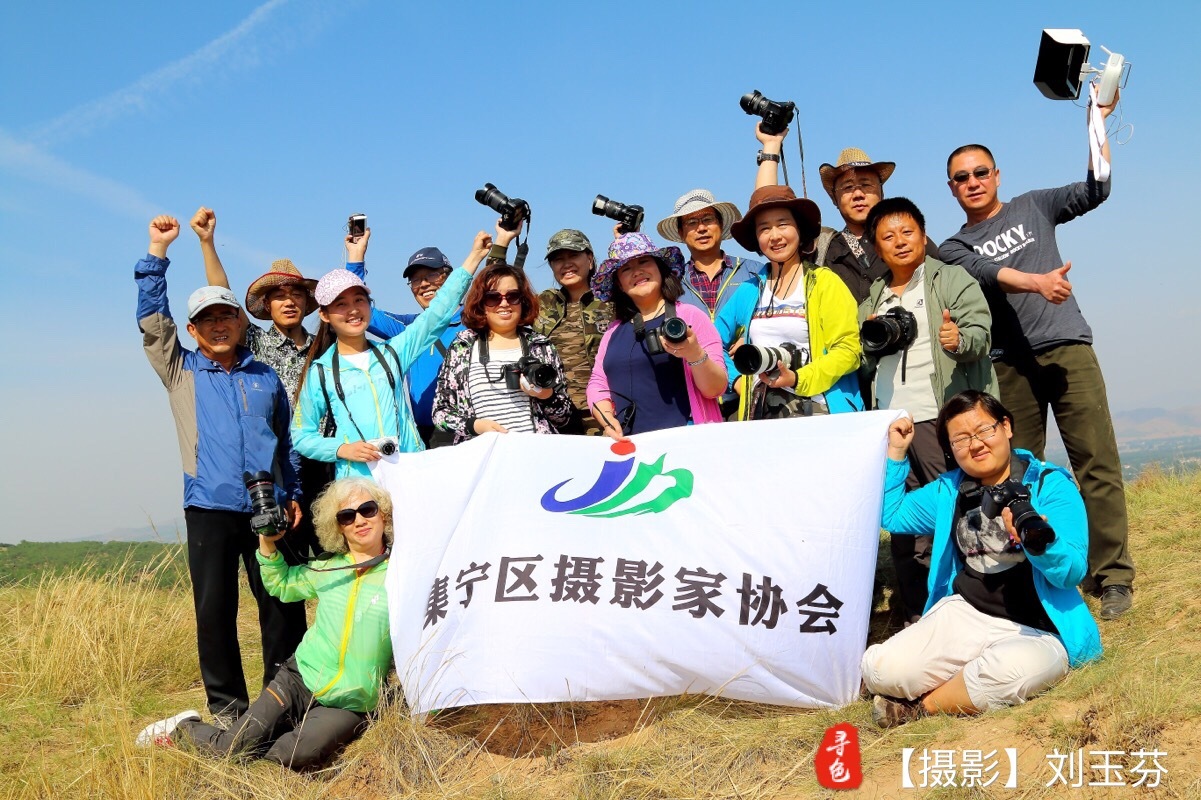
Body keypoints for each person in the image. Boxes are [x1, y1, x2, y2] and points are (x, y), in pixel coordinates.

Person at [937, 87, 1133, 619]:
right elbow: (985, 273)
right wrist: (1034, 281)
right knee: (1018, 472)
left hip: (1067, 347)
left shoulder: (1035, 205)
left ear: (997, 175)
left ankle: (1112, 576)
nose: (973, 183)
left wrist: (1097, 119)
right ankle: (1039, 571)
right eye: (962, 177)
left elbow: (1097, 187)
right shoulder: (953, 247)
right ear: (951, 188)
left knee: (1095, 461)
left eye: (981, 173)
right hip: (1009, 365)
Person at [135, 215, 307, 721]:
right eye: (207, 319)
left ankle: (283, 702)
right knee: (215, 613)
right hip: (209, 507)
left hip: (268, 509)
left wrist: (291, 492)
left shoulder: (265, 375)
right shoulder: (180, 369)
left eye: (226, 316)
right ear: (192, 328)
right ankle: (230, 708)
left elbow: (286, 443)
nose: (218, 324)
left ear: (239, 322)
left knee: (281, 608)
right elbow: (151, 319)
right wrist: (157, 253)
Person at [861, 391, 1102, 728]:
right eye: (960, 439)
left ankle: (920, 707)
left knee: (1012, 675)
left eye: (984, 431)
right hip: (968, 611)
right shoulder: (950, 489)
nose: (975, 445)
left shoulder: (1050, 486)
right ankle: (941, 678)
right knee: (880, 669)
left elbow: (1072, 571)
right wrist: (897, 453)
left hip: (1039, 628)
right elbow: (893, 515)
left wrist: (1042, 544)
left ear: (1006, 427)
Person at [137, 478, 393, 770]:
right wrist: (267, 541)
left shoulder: (402, 575)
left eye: (367, 510)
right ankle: (182, 729)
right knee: (232, 748)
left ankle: (268, 739)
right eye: (347, 516)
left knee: (287, 757)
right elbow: (281, 583)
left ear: (382, 513)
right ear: (339, 528)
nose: (359, 520)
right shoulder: (327, 568)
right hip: (299, 679)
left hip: (350, 702)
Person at [860, 197, 997, 624]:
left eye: (907, 232)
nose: (899, 242)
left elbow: (980, 332)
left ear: (923, 235)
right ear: (876, 247)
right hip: (894, 423)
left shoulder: (949, 279)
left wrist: (959, 340)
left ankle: (972, 606)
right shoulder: (872, 299)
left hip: (939, 417)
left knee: (953, 515)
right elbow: (864, 361)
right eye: (887, 236)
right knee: (901, 523)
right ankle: (917, 613)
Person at [291, 232, 491, 478]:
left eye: (359, 300)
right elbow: (302, 436)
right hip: (358, 483)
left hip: (409, 475)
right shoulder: (320, 372)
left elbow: (438, 313)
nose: (353, 310)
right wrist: (341, 449)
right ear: (325, 315)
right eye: (341, 304)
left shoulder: (394, 352)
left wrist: (474, 258)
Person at [193, 207, 324, 563]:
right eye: (280, 296)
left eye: (296, 294)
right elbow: (222, 293)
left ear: (307, 302)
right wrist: (208, 242)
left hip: (324, 461)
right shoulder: (254, 342)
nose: (289, 301)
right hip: (281, 464)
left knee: (333, 556)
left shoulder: (323, 346)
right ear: (266, 305)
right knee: (288, 564)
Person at [715, 185, 862, 420]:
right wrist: (738, 380)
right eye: (764, 228)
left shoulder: (824, 283)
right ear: (756, 238)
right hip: (761, 416)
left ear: (799, 230)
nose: (775, 236)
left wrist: (798, 379)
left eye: (783, 224)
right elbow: (711, 342)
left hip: (823, 413)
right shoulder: (749, 290)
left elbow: (849, 350)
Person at [586, 233, 728, 440]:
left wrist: (694, 353)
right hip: (631, 447)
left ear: (660, 268)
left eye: (644, 261)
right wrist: (607, 419)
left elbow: (715, 388)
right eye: (626, 269)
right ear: (618, 283)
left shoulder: (690, 316)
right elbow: (598, 383)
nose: (637, 272)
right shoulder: (612, 332)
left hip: (689, 444)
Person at [490, 222, 615, 435]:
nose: (566, 264)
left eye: (573, 255)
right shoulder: (543, 304)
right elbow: (493, 288)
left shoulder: (613, 300)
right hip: (556, 416)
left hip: (608, 413)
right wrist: (502, 241)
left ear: (590, 259)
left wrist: (623, 240)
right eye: (558, 259)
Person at [343, 229, 462, 448]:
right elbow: (362, 309)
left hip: (468, 434)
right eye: (415, 280)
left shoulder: (475, 321)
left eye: (431, 275)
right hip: (425, 436)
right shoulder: (408, 328)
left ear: (450, 278)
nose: (423, 284)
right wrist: (355, 257)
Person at [433, 262, 571, 442]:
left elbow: (564, 416)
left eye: (513, 296)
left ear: (523, 300)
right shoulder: (462, 347)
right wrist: (475, 425)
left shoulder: (542, 346)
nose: (504, 303)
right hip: (483, 459)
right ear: (481, 303)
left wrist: (545, 396)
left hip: (536, 456)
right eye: (493, 297)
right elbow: (440, 413)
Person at [654, 189, 761, 319]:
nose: (701, 228)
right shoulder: (673, 282)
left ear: (721, 225)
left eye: (708, 219)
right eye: (692, 222)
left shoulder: (754, 272)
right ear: (681, 233)